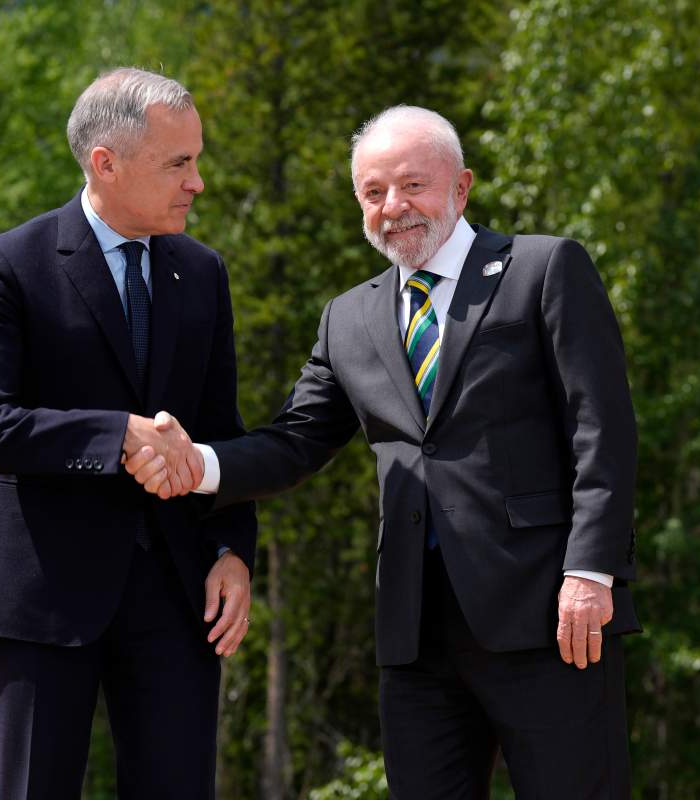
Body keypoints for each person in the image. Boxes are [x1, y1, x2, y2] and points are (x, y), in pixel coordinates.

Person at [127, 105, 639, 798]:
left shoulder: (543, 270)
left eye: (411, 186)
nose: (392, 207)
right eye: (372, 193)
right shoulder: (350, 318)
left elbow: (601, 430)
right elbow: (296, 440)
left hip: (548, 615)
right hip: (414, 633)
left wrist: (591, 572)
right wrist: (199, 466)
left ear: (461, 188)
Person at [0, 67, 256, 799]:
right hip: (39, 598)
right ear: (104, 163)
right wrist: (114, 437)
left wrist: (233, 551)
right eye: (179, 163)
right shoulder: (10, 265)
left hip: (179, 599)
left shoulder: (204, 273)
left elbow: (220, 434)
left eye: (197, 160)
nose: (198, 183)